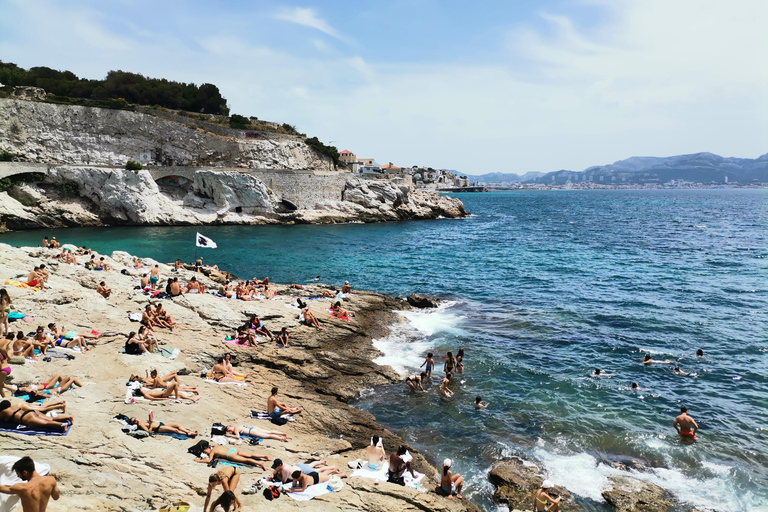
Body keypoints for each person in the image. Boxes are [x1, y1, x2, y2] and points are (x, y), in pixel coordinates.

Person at [0, 400, 73, 432]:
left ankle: (62, 425)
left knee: (45, 423)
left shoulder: (3, 412)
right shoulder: (14, 407)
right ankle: (68, 418)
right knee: (50, 419)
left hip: (26, 418)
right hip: (30, 412)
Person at [194, 444, 271, 470]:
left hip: (230, 455)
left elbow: (208, 461)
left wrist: (198, 460)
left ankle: (260, 464)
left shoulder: (212, 452)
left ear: (207, 449)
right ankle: (264, 456)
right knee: (249, 454)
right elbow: (212, 445)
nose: (206, 454)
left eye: (205, 452)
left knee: (246, 460)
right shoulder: (216, 446)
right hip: (233, 450)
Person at [129, 412, 198, 437]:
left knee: (177, 424)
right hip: (158, 428)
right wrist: (151, 422)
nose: (136, 420)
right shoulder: (140, 424)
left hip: (160, 423)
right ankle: (187, 434)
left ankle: (188, 431)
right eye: (134, 421)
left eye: (135, 418)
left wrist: (151, 418)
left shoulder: (141, 421)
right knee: (175, 430)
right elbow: (148, 432)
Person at [225, 425, 289, 442]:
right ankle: (282, 434)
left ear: (231, 427)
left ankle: (282, 438)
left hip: (252, 432)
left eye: (229, 430)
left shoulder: (236, 429)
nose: (230, 431)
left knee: (268, 436)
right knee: (269, 431)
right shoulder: (237, 426)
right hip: (253, 428)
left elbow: (237, 436)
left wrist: (230, 435)